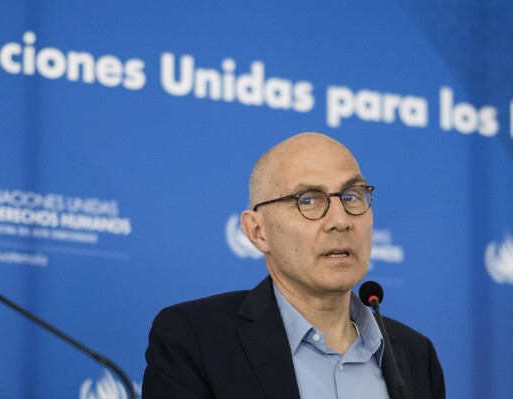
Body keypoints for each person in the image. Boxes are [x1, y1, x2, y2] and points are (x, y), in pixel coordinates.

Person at [143, 132, 445, 399]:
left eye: (352, 196)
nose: (340, 220)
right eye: (308, 201)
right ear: (258, 232)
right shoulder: (196, 338)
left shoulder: (416, 354)